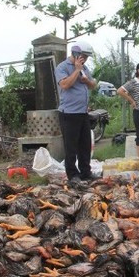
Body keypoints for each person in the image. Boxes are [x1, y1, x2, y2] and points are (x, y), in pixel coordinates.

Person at [55, 41, 97, 183]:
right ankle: (72, 175)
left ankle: (86, 172)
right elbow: (65, 84)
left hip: (83, 113)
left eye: (87, 57)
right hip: (69, 114)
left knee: (85, 145)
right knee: (71, 146)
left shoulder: (84, 68)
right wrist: (77, 70)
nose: (85, 59)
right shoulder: (62, 67)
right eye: (83, 56)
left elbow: (93, 85)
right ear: (76, 54)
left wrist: (86, 80)